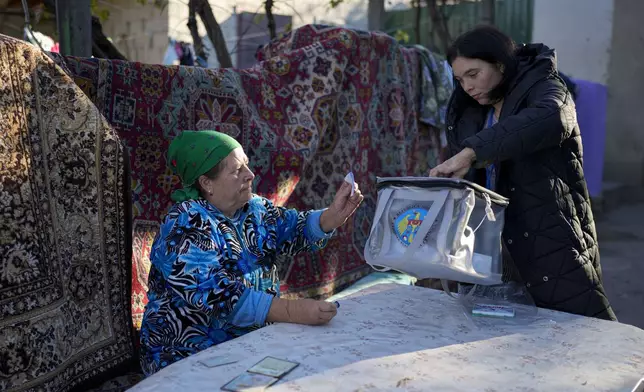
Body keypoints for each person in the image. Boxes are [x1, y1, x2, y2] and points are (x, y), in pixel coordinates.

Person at [139, 130, 364, 376]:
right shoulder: (185, 224)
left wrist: (333, 216)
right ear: (206, 183)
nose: (250, 175)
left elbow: (292, 228)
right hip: (187, 353)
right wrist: (293, 311)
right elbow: (218, 295)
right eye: (237, 170)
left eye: (246, 164)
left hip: (246, 342)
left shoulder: (253, 208)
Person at [429, 26, 616, 321]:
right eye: (459, 78)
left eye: (473, 74)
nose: (466, 86)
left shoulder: (546, 88)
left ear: (500, 64)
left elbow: (550, 118)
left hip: (547, 241)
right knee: (493, 346)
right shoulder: (469, 110)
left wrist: (471, 152)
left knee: (577, 337)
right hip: (489, 252)